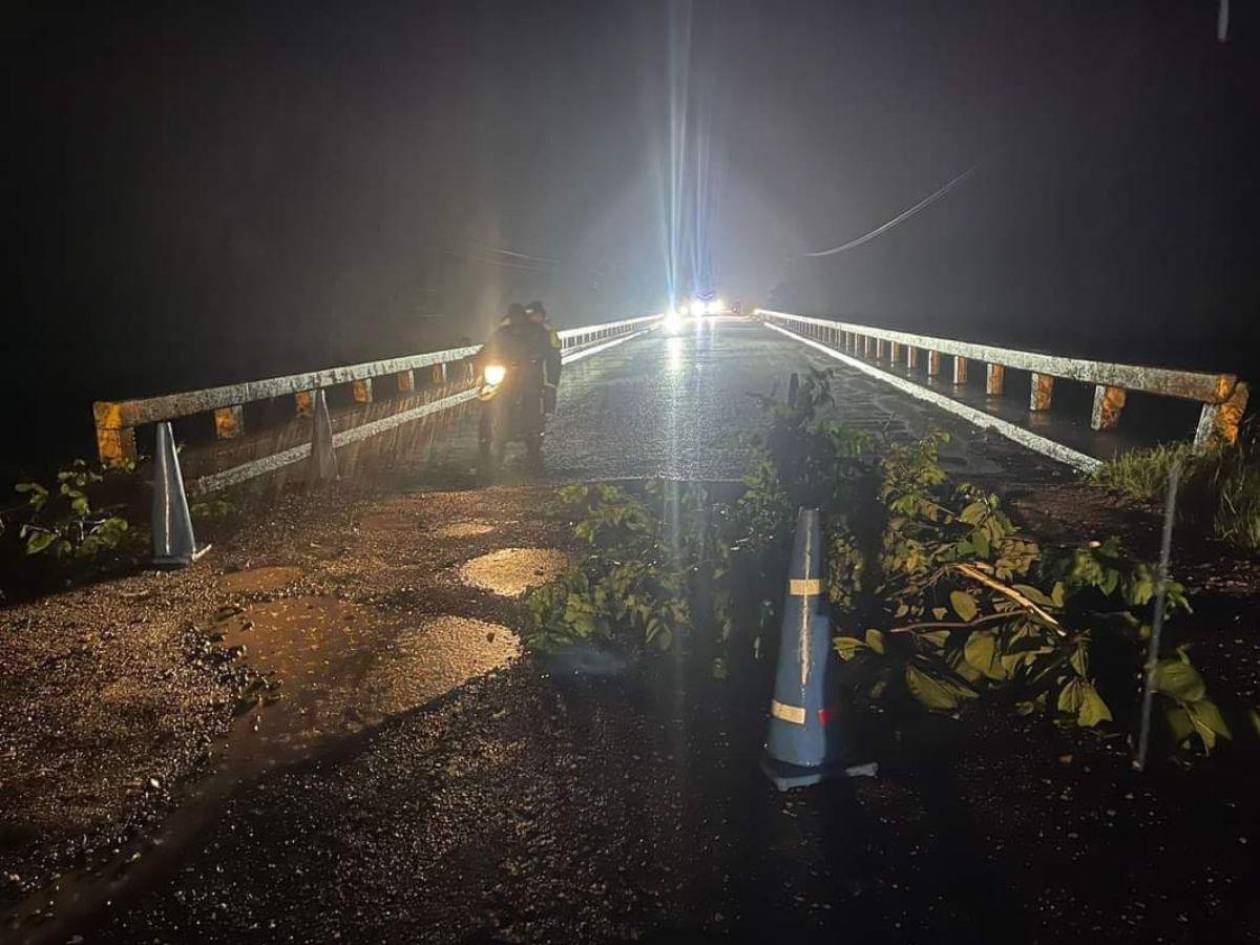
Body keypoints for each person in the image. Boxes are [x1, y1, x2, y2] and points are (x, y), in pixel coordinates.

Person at [525, 300, 563, 413]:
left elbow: (555, 348)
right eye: (530, 315)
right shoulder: (520, 330)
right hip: (523, 365)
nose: (533, 317)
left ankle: (544, 409)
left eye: (536, 315)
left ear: (541, 315)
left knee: (548, 384)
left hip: (541, 367)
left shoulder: (547, 330)